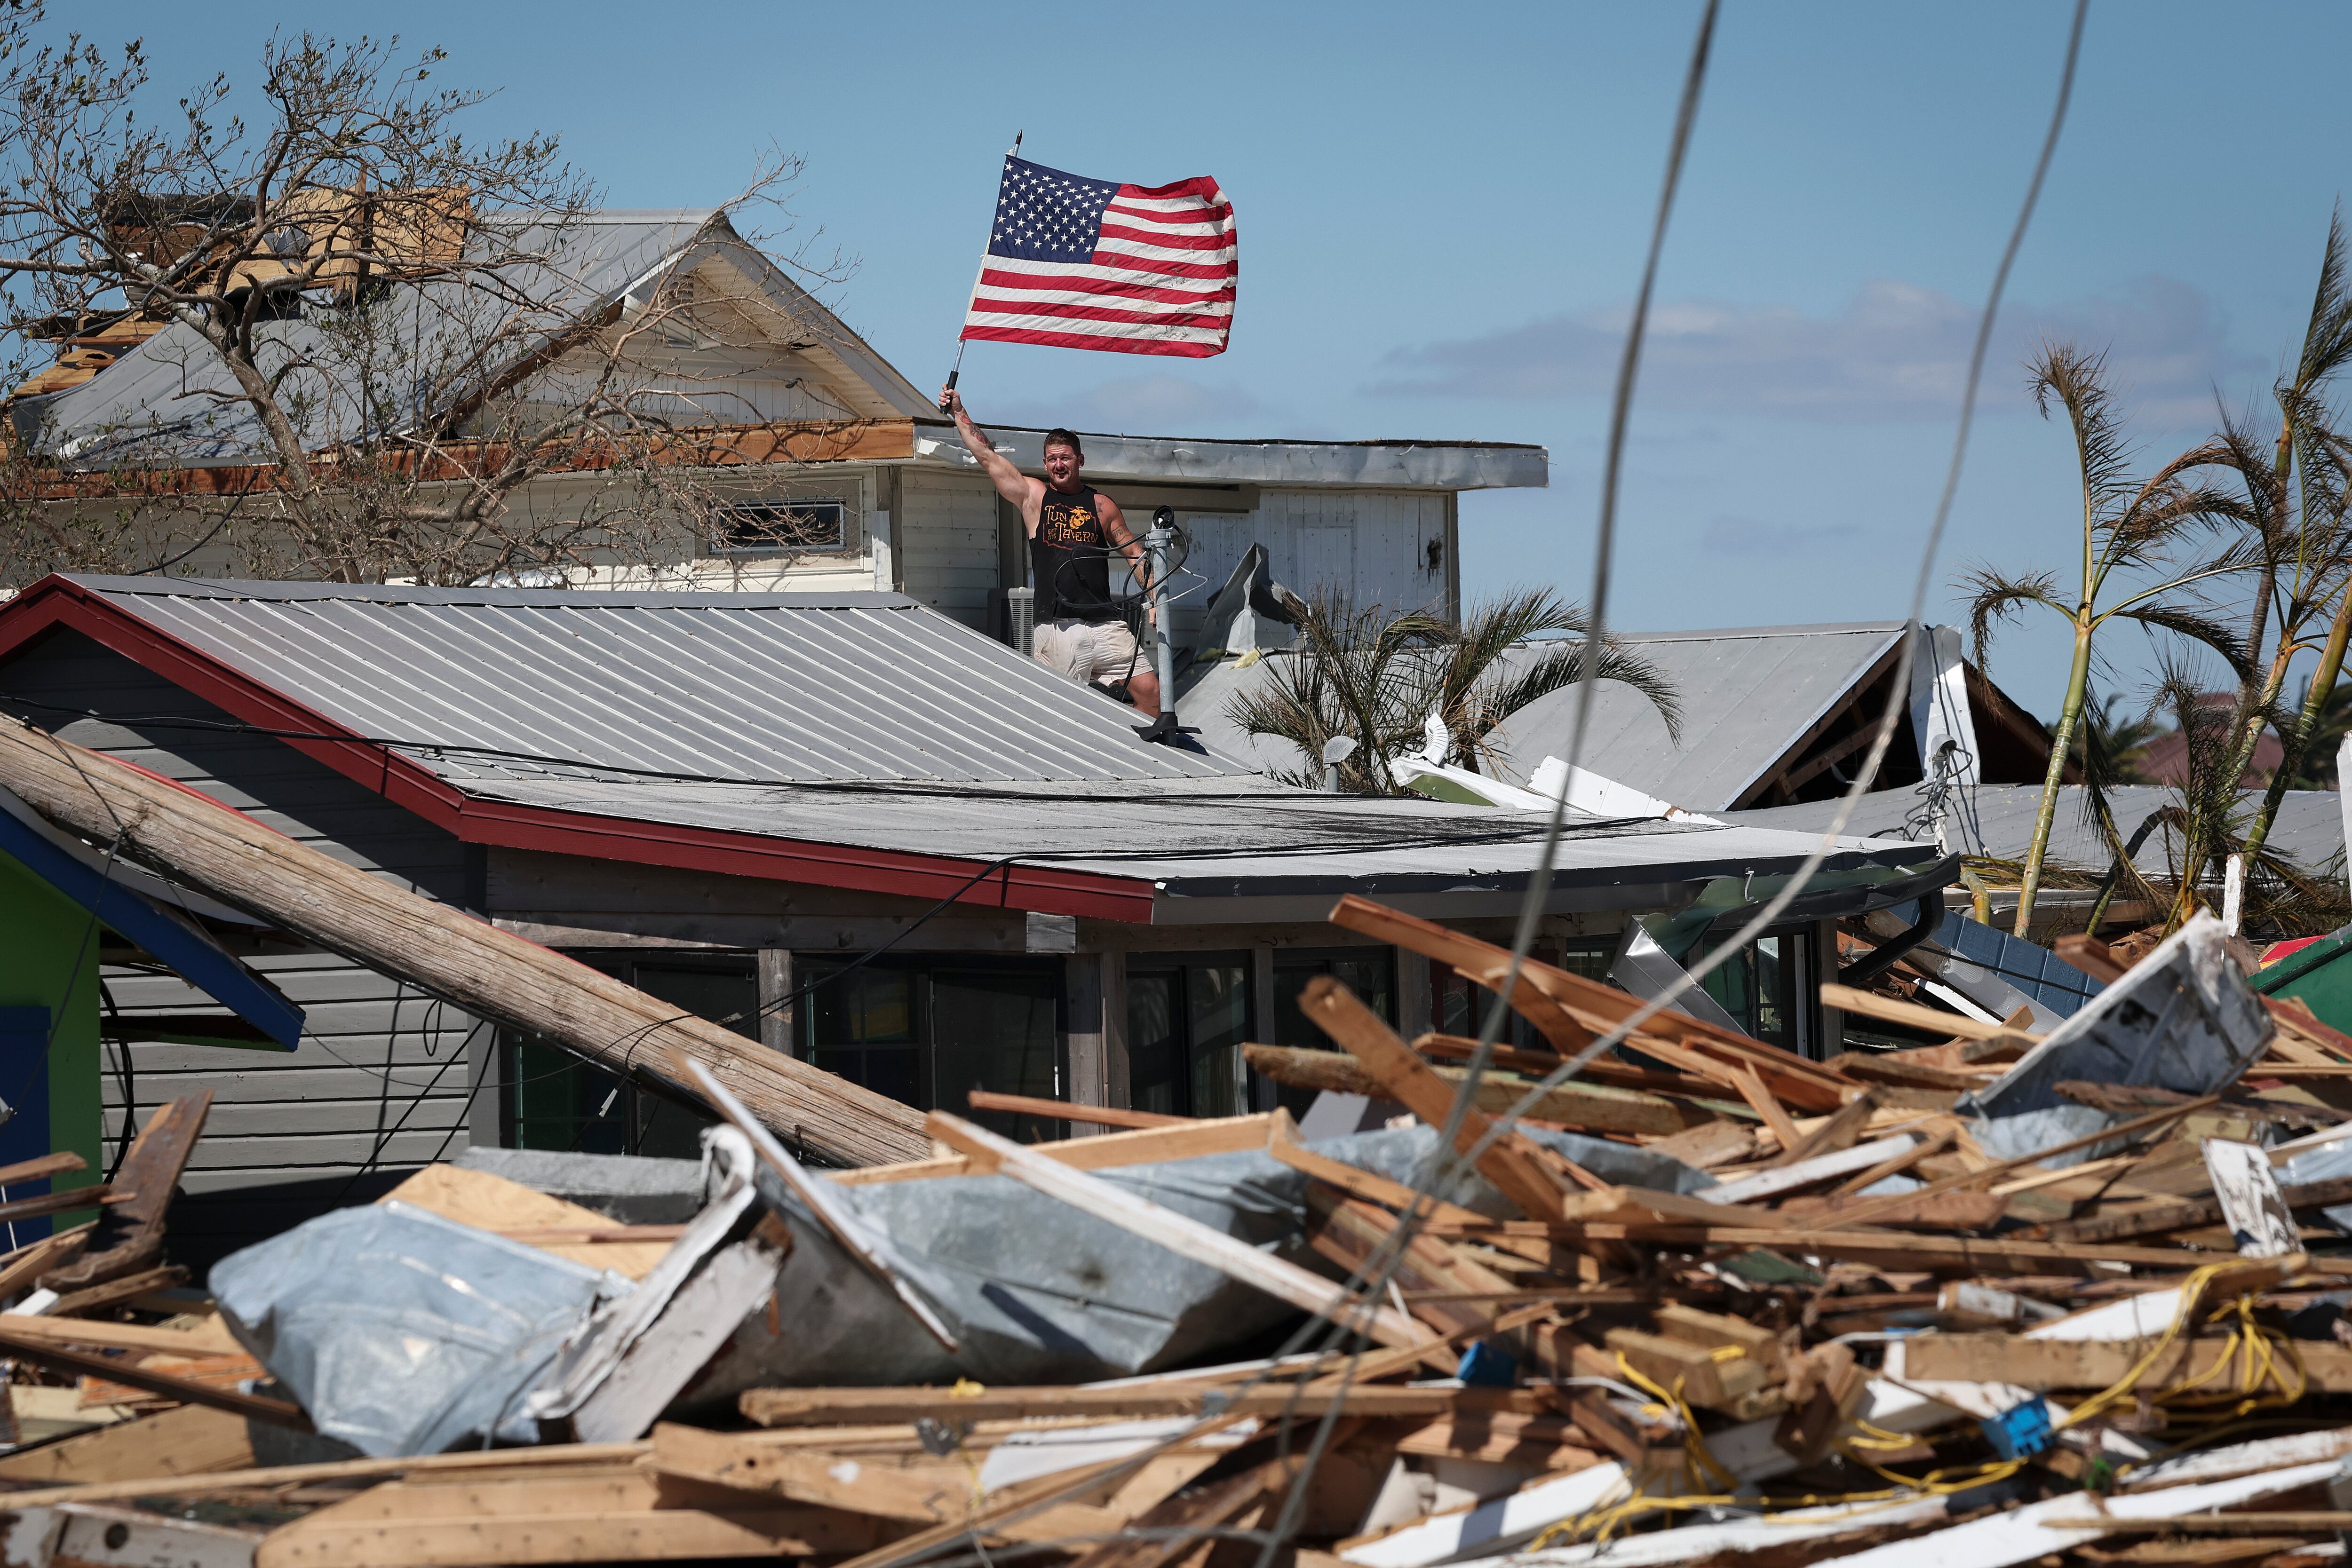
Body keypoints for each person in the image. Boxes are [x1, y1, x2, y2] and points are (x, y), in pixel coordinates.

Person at [941, 387, 1160, 719]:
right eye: (1053, 459)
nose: (1059, 465)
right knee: (1062, 713)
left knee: (1151, 692)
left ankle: (1148, 761)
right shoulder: (1035, 497)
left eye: (1066, 458)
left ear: (1080, 461)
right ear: (1045, 463)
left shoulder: (1102, 506)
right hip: (1058, 628)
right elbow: (987, 457)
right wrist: (959, 411)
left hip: (1105, 623)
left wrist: (1155, 598)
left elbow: (1133, 552)